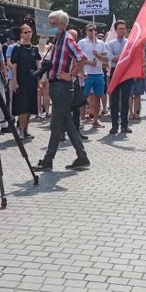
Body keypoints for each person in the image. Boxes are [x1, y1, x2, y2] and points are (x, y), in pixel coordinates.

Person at [32, 10, 89, 171]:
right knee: (67, 124)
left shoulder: (67, 39)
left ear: (63, 25)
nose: (50, 26)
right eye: (50, 23)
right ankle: (82, 156)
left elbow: (82, 57)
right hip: (57, 86)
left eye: (54, 24)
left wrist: (70, 75)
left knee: (57, 124)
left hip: (62, 87)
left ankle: (48, 160)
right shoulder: (58, 40)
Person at [9, 23, 41, 139]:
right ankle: (21, 130)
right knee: (23, 105)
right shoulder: (17, 49)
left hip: (32, 80)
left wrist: (39, 80)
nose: (28, 34)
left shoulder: (34, 48)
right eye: (25, 32)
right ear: (21, 34)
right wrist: (15, 81)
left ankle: (26, 129)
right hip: (21, 80)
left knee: (30, 106)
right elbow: (14, 66)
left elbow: (38, 65)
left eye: (29, 32)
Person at [77, 23, 108, 129]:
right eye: (90, 30)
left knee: (97, 97)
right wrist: (88, 63)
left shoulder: (101, 43)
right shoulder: (82, 43)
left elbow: (106, 58)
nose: (92, 32)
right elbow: (78, 58)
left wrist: (98, 55)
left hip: (98, 73)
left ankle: (95, 120)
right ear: (86, 31)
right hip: (87, 73)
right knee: (83, 98)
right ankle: (81, 119)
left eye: (94, 30)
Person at [106, 20, 131, 134]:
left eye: (123, 28)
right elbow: (111, 58)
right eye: (120, 28)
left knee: (125, 99)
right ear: (116, 30)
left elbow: (132, 58)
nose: (122, 30)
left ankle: (125, 125)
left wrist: (120, 57)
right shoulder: (111, 43)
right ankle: (114, 125)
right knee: (114, 100)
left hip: (126, 72)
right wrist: (124, 56)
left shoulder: (129, 43)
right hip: (115, 71)